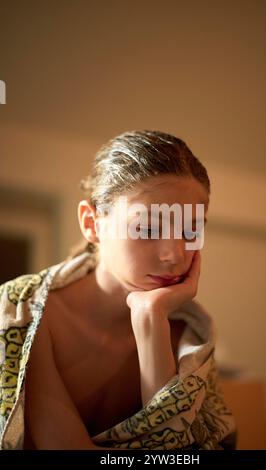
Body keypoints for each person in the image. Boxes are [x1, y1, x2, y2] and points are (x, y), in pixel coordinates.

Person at [0, 130, 236, 450]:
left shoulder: (188, 336)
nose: (175, 254)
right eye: (148, 228)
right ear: (92, 223)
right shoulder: (26, 313)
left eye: (191, 229)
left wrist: (150, 319)